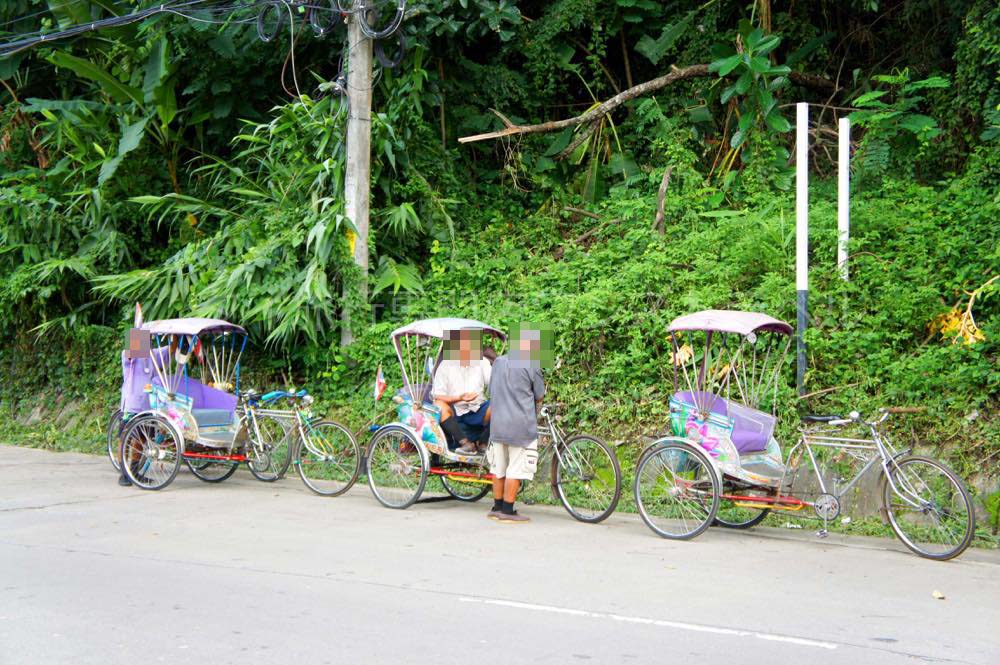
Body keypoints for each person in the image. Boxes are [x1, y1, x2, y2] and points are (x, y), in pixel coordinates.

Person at [486, 325, 547, 524]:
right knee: (516, 469)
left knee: (499, 466)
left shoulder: (498, 363)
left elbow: (491, 392)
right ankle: (508, 510)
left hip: (497, 425)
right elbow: (539, 396)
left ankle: (496, 507)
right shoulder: (532, 365)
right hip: (520, 427)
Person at [432, 328, 492, 455]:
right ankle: (465, 443)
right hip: (454, 411)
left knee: (500, 404)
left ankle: (483, 442)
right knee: (438, 405)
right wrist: (460, 398)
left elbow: (494, 382)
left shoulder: (482, 362)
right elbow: (438, 395)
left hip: (478, 408)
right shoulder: (445, 365)